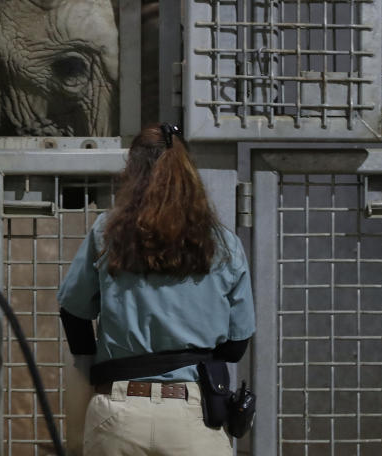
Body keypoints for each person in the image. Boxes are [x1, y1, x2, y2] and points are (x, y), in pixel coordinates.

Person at [57, 123, 254, 455]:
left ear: (132, 171)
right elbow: (236, 347)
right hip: (194, 415)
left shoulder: (107, 232)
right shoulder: (223, 244)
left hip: (118, 411)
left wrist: (101, 363)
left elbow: (73, 313)